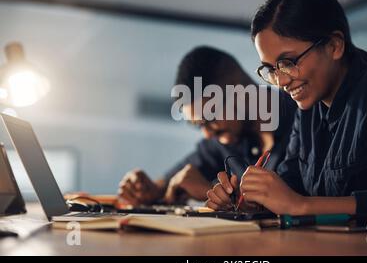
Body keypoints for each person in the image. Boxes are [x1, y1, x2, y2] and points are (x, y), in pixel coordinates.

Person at [206, 0, 367, 230]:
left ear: (335, 45)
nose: (280, 81)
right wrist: (253, 200)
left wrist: (301, 206)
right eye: (270, 69)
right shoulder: (308, 106)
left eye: (288, 62)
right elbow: (291, 185)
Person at [118, 46, 297, 206]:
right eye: (198, 125)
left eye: (210, 118)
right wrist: (146, 190)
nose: (207, 134)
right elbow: (168, 183)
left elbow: (298, 205)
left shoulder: (303, 119)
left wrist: (210, 192)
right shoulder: (223, 140)